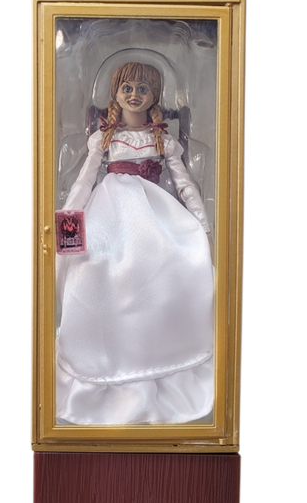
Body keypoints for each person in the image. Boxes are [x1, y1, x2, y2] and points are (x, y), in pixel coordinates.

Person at [56, 62, 214, 425]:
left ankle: (160, 349)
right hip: (108, 211)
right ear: (115, 93)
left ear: (155, 96)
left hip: (154, 211)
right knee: (94, 267)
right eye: (127, 88)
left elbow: (185, 183)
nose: (134, 95)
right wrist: (68, 217)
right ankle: (103, 354)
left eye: (143, 89)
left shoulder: (162, 140)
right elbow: (84, 179)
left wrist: (201, 223)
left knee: (168, 265)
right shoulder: (104, 138)